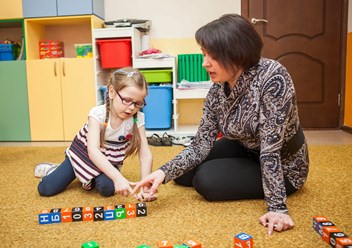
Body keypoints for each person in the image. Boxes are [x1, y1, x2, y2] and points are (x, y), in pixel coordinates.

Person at [132, 14, 309, 234]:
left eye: (212, 56)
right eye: (204, 54)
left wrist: (277, 208)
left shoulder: (273, 77)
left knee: (206, 179)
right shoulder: (217, 90)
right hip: (245, 147)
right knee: (182, 174)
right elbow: (200, 144)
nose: (205, 63)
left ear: (237, 52)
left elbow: (270, 149)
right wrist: (161, 173)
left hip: (283, 164)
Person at [37, 67, 156, 202]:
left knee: (108, 189)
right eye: (127, 100)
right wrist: (117, 177)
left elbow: (145, 153)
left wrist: (145, 184)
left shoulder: (137, 118)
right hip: (82, 156)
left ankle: (88, 178)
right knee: (46, 189)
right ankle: (56, 169)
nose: (131, 107)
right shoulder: (97, 114)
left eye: (138, 103)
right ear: (111, 92)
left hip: (108, 161)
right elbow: (92, 151)